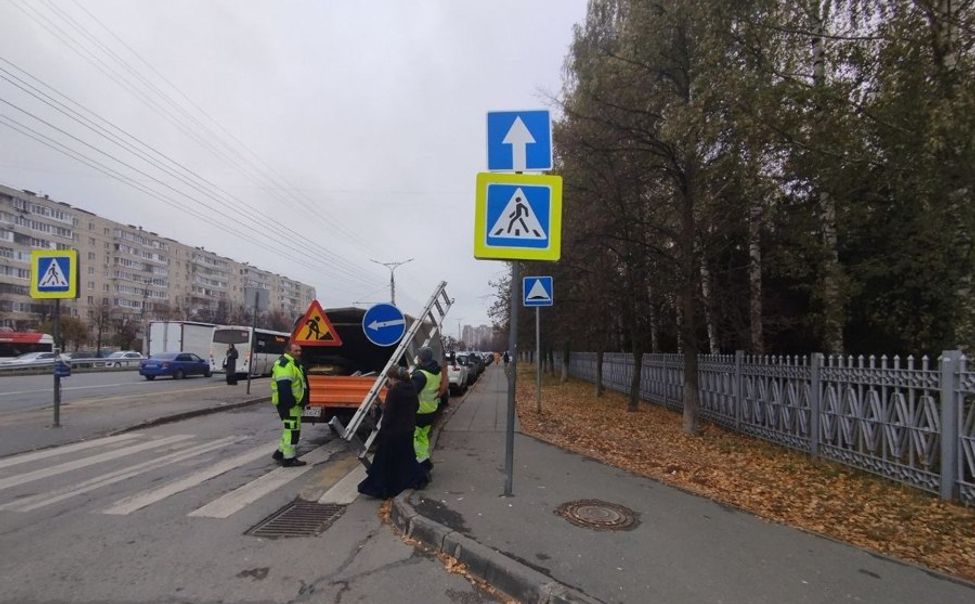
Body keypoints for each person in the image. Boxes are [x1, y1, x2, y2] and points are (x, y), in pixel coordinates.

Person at [357, 365, 426, 498]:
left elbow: (389, 413)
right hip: (408, 429)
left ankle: (380, 488)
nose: (388, 381)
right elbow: (416, 406)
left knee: (385, 461)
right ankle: (418, 478)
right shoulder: (411, 387)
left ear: (394, 378)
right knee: (406, 457)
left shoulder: (394, 391)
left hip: (394, 431)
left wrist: (383, 428)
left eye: (389, 378)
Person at [270, 343, 308, 467]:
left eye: (300, 350)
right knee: (292, 431)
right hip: (289, 404)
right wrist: (290, 403)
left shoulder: (293, 363)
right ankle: (289, 458)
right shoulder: (285, 365)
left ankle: (280, 453)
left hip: (293, 404)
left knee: (289, 429)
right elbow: (284, 386)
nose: (299, 353)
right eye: (296, 351)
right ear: (288, 351)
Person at [411, 346, 442, 474]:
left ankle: (422, 465)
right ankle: (425, 459)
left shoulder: (420, 375)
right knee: (423, 437)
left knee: (414, 439)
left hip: (419, 412)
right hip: (431, 411)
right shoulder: (436, 372)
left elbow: (411, 392)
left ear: (420, 359)